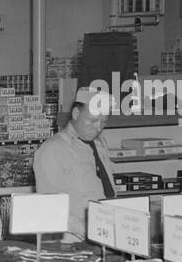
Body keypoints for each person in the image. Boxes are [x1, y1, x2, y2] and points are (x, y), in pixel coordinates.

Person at [32, 86, 118, 240]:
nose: (98, 128)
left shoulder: (100, 144)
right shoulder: (52, 149)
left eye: (103, 122)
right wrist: (88, 231)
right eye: (92, 121)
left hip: (105, 234)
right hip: (73, 243)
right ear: (76, 113)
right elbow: (49, 206)